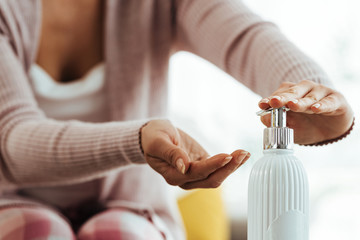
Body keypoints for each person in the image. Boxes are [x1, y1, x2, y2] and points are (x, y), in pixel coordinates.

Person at [0, 0, 354, 239]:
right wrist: (137, 141)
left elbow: (245, 38)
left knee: (122, 233)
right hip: (10, 204)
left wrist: (313, 93)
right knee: (35, 229)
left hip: (132, 209)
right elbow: (14, 143)